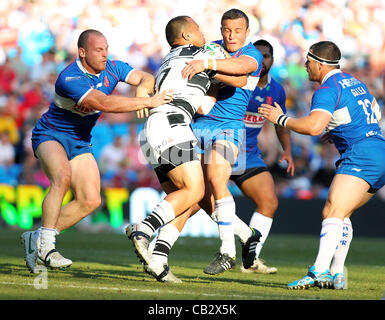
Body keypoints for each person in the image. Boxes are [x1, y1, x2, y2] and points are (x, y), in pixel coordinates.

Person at [20, 29, 173, 273]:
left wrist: (143, 89)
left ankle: (36, 237)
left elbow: (146, 77)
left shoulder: (114, 67)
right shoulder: (70, 78)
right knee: (62, 177)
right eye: (98, 50)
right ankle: (47, 247)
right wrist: (147, 101)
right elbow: (104, 104)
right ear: (82, 53)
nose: (104, 55)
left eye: (106, 49)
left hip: (80, 140)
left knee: (91, 200)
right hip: (50, 135)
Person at [126, 15, 252, 283]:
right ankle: (144, 229)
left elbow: (205, 106)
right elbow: (241, 79)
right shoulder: (201, 53)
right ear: (186, 36)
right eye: (197, 30)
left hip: (152, 131)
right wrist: (212, 65)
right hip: (173, 125)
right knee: (197, 190)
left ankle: (158, 260)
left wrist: (212, 86)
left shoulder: (168, 60)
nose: (203, 33)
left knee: (186, 201)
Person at [259, 40, 385, 289]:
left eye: (308, 61)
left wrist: (280, 118)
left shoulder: (327, 89)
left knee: (331, 210)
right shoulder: (354, 82)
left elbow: (314, 127)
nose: (305, 66)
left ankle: (319, 271)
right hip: (378, 152)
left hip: (360, 155)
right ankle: (337, 273)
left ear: (319, 63)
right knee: (342, 213)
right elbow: (374, 113)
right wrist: (339, 128)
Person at [182, 8, 264, 275]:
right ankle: (246, 233)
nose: (231, 36)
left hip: (229, 128)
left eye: (237, 31)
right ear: (221, 30)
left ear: (247, 32)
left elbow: (242, 74)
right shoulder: (211, 48)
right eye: (226, 30)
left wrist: (208, 67)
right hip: (196, 126)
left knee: (218, 180)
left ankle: (227, 250)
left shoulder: (252, 55)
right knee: (200, 196)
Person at [229, 39, 295, 274]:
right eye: (258, 56)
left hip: (249, 155)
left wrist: (287, 149)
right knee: (195, 201)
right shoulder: (236, 82)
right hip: (222, 148)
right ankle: (158, 248)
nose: (262, 60)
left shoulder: (276, 90)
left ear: (272, 60)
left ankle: (251, 260)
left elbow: (280, 124)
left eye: (266, 56)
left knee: (269, 202)